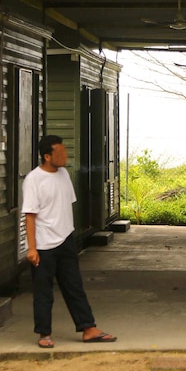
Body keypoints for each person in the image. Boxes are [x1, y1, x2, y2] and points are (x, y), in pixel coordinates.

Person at [22, 134, 117, 348]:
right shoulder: (34, 180)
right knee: (43, 291)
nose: (65, 156)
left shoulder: (64, 175)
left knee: (74, 286)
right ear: (47, 156)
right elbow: (29, 215)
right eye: (60, 152)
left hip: (66, 240)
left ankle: (88, 328)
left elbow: (67, 204)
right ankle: (44, 333)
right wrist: (32, 248)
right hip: (43, 245)